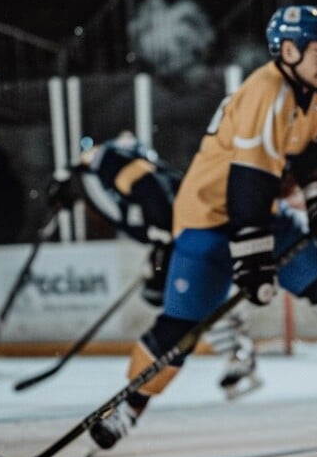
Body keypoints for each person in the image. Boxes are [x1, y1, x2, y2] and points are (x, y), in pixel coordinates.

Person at [89, 5, 317, 450]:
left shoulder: (315, 96)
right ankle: (128, 407)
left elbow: (308, 163)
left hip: (257, 214)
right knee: (180, 329)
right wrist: (252, 259)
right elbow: (247, 182)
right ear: (288, 49)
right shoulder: (266, 92)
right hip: (207, 222)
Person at [53, 132, 262, 399]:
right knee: (175, 296)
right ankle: (238, 351)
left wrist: (162, 240)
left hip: (194, 229)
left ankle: (238, 353)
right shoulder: (109, 170)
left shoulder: (109, 162)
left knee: (191, 298)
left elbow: (150, 190)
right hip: (192, 229)